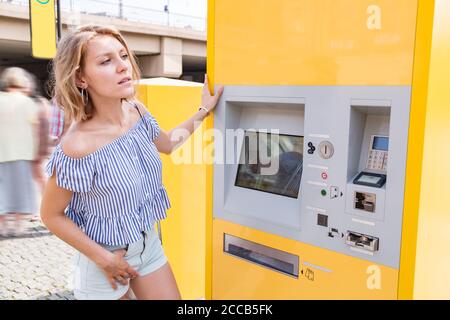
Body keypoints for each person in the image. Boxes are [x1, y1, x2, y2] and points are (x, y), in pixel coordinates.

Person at [40, 25, 223, 300]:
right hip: (103, 257)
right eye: (106, 61)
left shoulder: (137, 110)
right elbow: (51, 215)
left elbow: (169, 144)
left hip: (148, 244)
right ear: (80, 79)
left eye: (123, 56)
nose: (123, 66)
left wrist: (203, 110)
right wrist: (104, 259)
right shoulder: (77, 145)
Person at [0, 67, 39, 237]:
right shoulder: (27, 102)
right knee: (20, 189)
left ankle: (2, 226)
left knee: (3, 189)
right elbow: (34, 127)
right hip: (22, 152)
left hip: (2, 151)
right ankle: (17, 226)